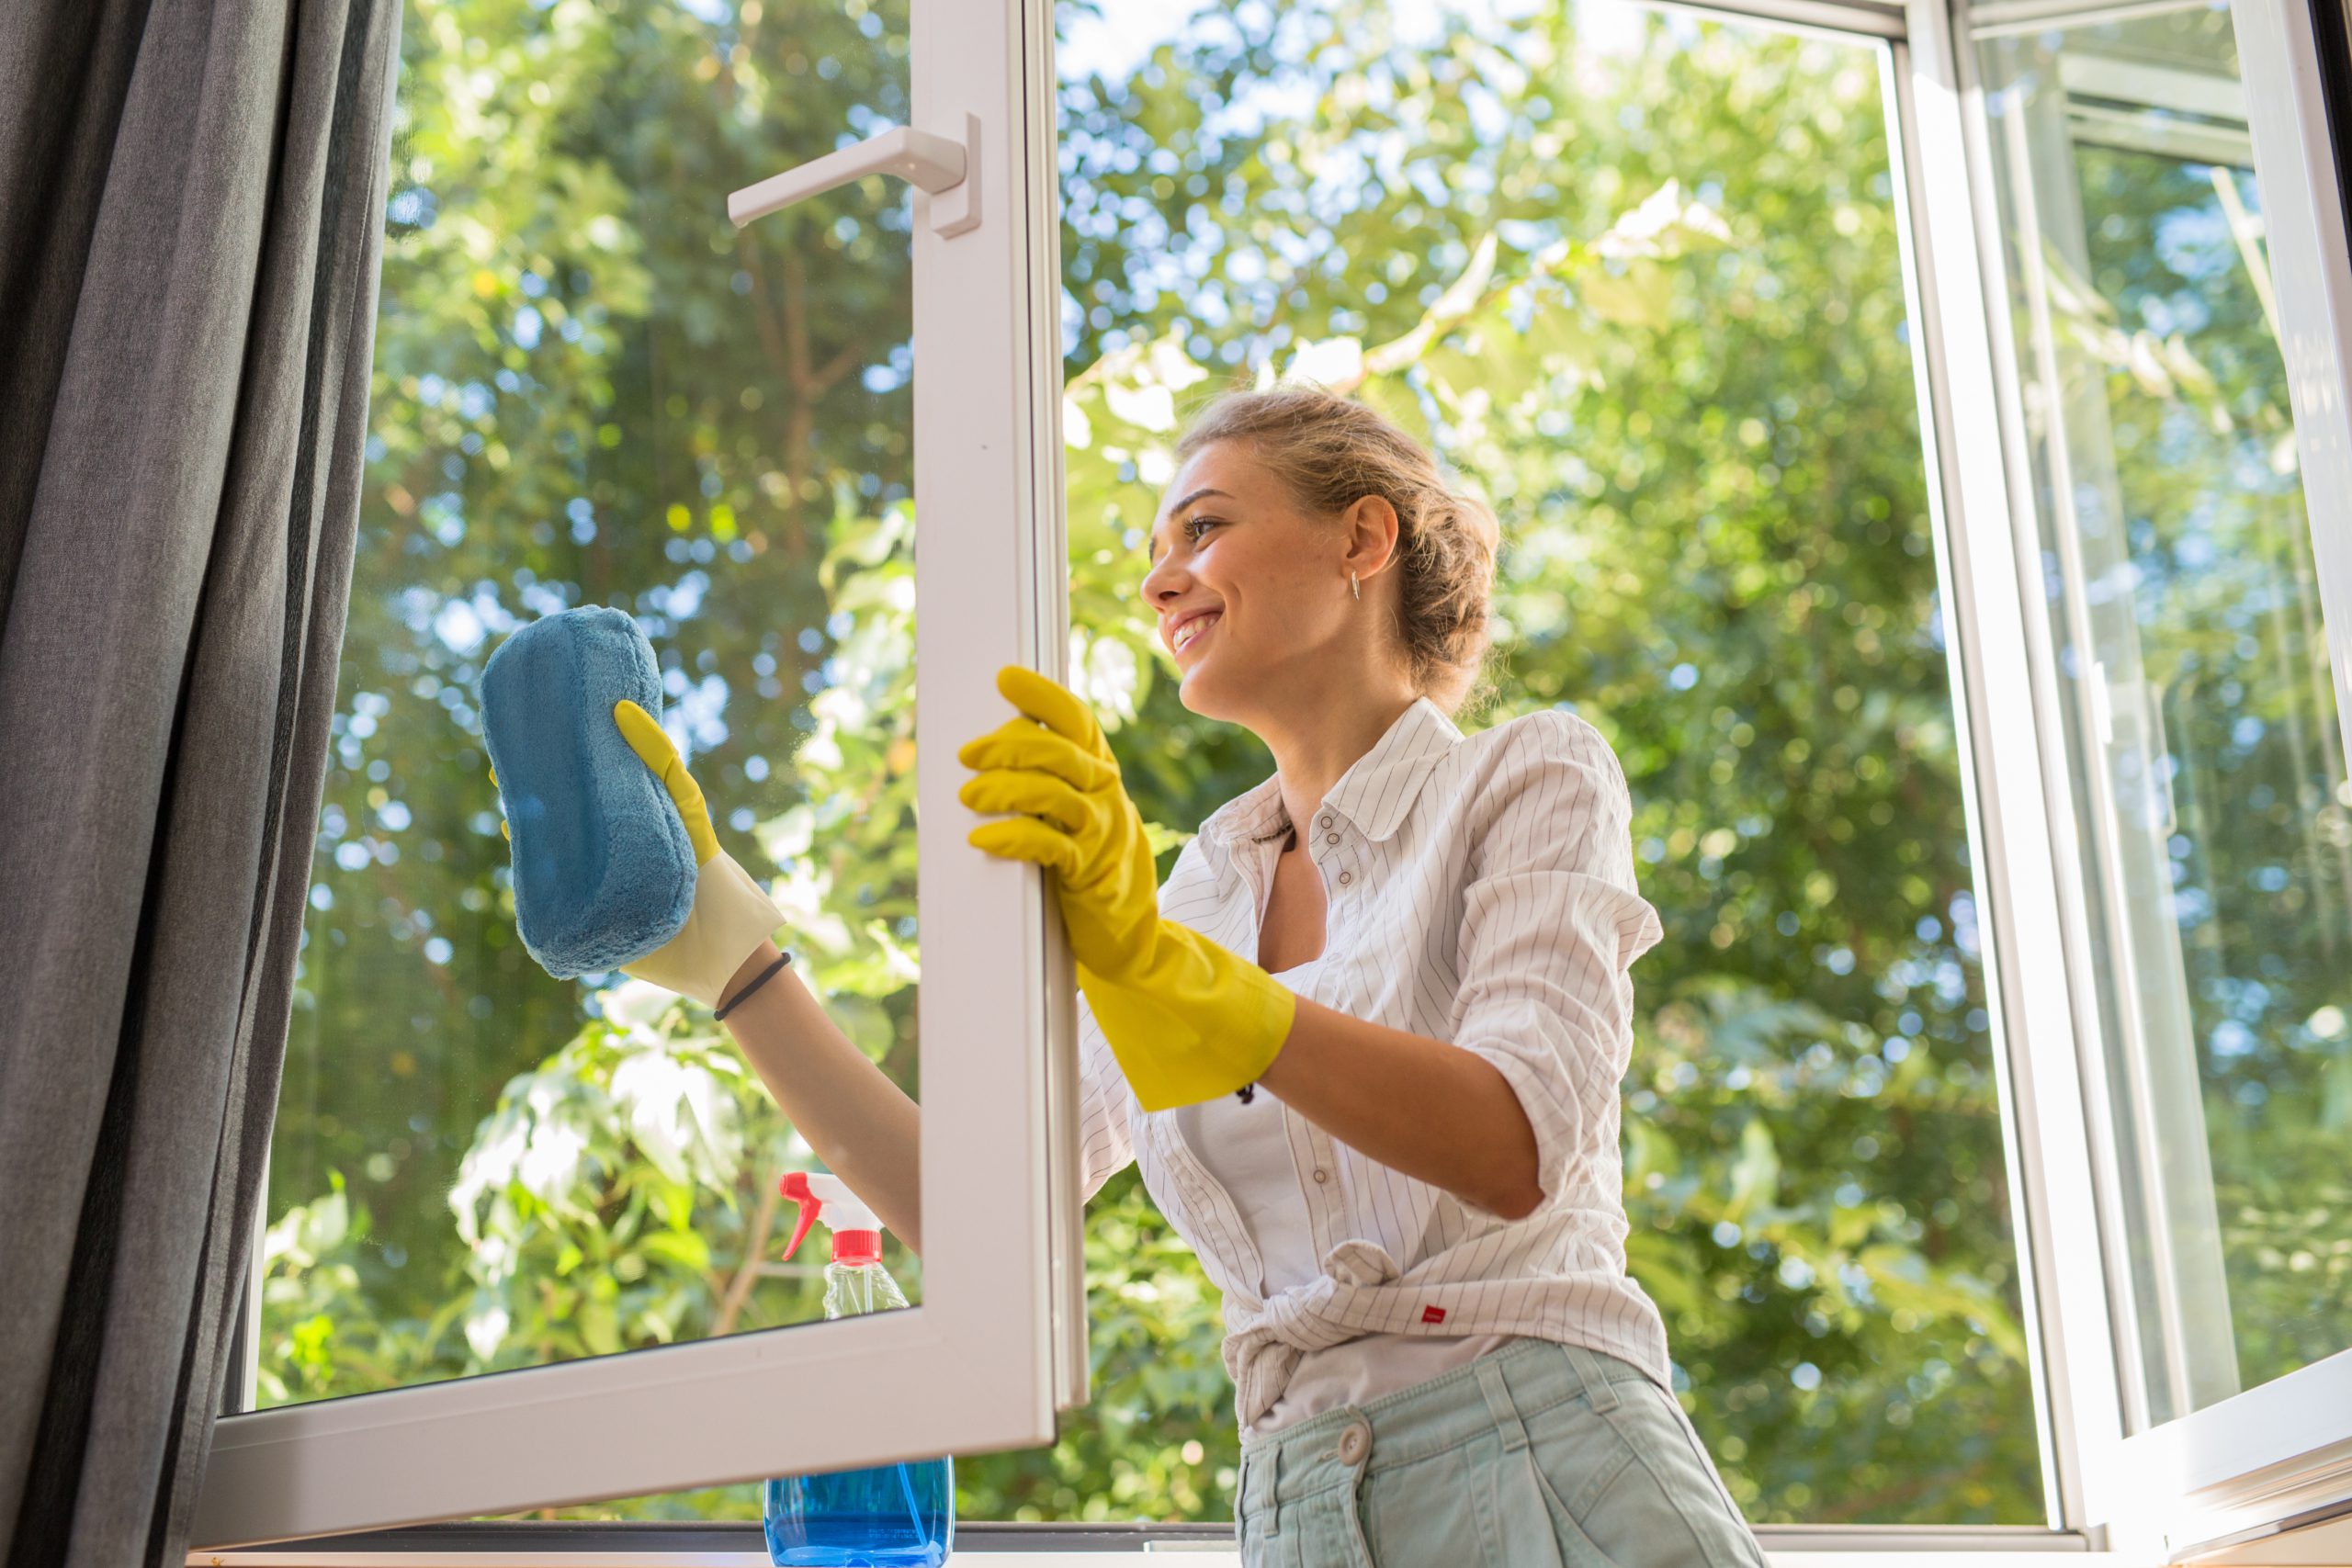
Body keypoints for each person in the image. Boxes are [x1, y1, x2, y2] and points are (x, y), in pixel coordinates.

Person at [571, 383, 1769, 1566]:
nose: (1158, 580)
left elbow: (1512, 1145)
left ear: (1362, 537)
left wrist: (1174, 978)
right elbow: (979, 1219)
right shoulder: (1198, 896)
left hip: (1542, 1459)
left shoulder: (1525, 779)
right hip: (1293, 1505)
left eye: (1203, 528)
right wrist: (742, 968)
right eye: (1154, 550)